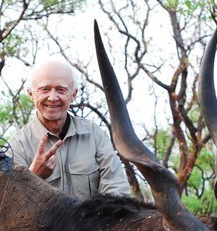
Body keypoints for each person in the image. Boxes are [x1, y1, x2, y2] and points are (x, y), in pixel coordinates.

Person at [8, 56, 130, 200]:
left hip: (93, 222)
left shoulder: (94, 134)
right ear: (31, 94)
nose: (53, 98)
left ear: (73, 94)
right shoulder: (17, 146)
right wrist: (34, 175)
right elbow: (7, 204)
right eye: (44, 89)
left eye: (61, 90)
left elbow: (116, 187)